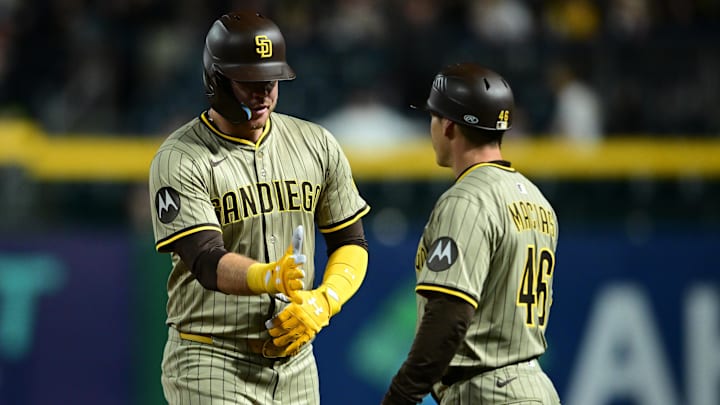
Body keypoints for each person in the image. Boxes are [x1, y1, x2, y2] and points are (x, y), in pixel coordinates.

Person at [148, 10, 370, 404]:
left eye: (271, 81)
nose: (263, 92)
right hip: (210, 357)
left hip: (295, 362)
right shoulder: (180, 157)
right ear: (216, 80)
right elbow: (204, 259)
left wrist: (324, 301)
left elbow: (350, 241)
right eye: (249, 82)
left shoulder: (315, 143)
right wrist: (269, 277)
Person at [381, 63, 561, 404]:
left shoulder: (466, 200)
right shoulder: (538, 201)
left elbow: (449, 312)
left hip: (487, 391)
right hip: (534, 387)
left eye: (433, 117)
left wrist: (402, 394)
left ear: (448, 125)